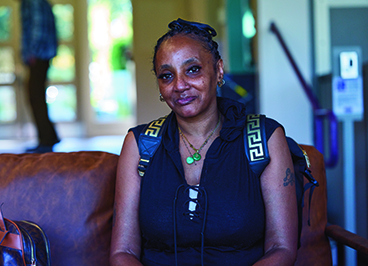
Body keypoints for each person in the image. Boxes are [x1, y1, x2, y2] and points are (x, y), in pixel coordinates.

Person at [110, 18, 298, 266]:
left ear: (218, 70)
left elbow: (281, 248)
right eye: (167, 76)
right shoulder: (141, 144)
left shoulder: (264, 138)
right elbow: (122, 252)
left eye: (192, 69)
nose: (179, 85)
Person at [18, 0, 60, 153]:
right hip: (41, 53)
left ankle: (47, 140)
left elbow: (37, 26)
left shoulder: (33, 1)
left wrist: (32, 52)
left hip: (39, 54)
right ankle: (49, 137)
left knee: (34, 96)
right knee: (36, 96)